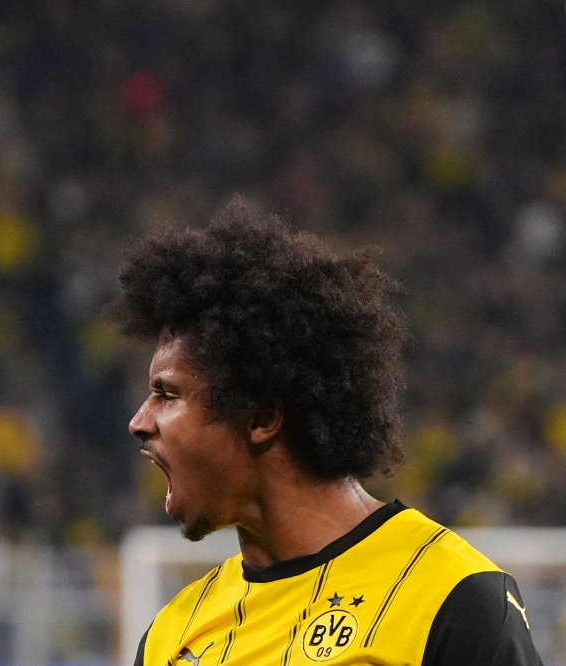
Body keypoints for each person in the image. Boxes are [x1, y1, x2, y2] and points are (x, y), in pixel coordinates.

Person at [113, 201, 543, 666]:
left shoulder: (450, 599)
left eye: (167, 394)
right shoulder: (173, 635)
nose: (139, 422)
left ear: (259, 417)